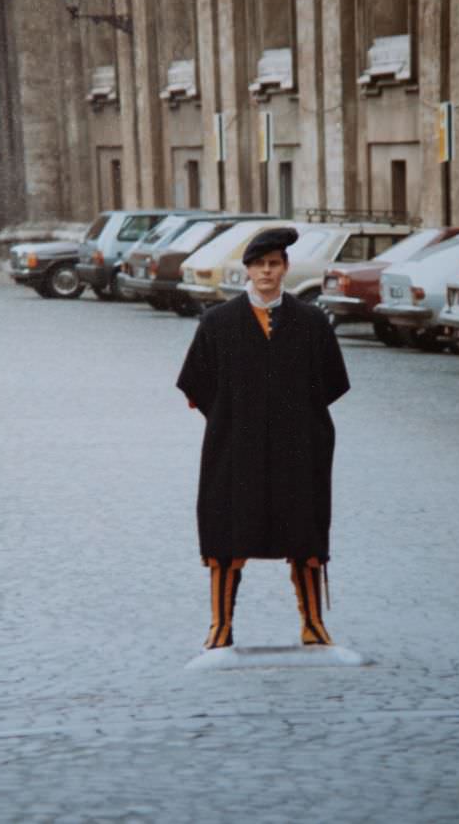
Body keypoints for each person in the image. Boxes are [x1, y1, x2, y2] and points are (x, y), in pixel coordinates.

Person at [177, 227, 350, 649]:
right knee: (227, 530)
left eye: (274, 264)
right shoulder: (218, 323)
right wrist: (235, 419)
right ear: (248, 270)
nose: (267, 272)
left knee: (304, 532)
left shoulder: (312, 323)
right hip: (236, 448)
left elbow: (331, 383)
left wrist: (293, 418)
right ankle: (221, 624)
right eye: (259, 265)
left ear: (286, 268)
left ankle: (312, 622)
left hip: (298, 448)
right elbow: (196, 385)